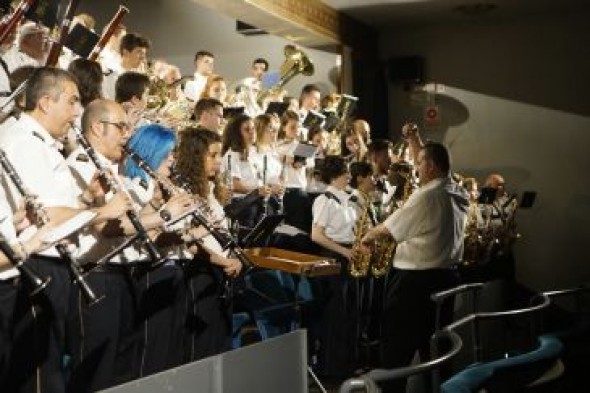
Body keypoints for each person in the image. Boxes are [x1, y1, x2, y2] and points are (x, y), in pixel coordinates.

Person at [0, 67, 129, 393]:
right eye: (72, 102)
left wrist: (86, 198)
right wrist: (100, 210)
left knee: (46, 368)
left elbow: (47, 206)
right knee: (39, 378)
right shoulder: (24, 142)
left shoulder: (40, 143)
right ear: (45, 102)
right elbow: (48, 215)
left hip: (46, 265)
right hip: (32, 267)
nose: (77, 112)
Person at [361, 124, 469, 393]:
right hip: (446, 277)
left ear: (431, 166)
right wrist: (413, 140)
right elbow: (430, 157)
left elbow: (387, 229)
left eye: (419, 164)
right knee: (435, 345)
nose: (416, 167)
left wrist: (364, 238)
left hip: (414, 284)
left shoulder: (427, 196)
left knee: (397, 348)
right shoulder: (456, 190)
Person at [174, 127, 243, 360]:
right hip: (199, 272)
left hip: (221, 270)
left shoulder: (210, 190)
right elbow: (190, 243)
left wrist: (234, 258)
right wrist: (224, 261)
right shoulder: (185, 192)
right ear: (195, 156)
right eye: (211, 156)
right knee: (200, 348)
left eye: (218, 155)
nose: (218, 162)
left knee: (220, 343)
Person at [310, 155, 358, 378]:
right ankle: (332, 369)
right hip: (333, 259)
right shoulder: (324, 200)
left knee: (348, 314)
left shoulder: (347, 198)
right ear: (337, 174)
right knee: (335, 316)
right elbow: (316, 236)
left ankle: (346, 364)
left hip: (347, 255)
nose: (349, 175)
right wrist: (344, 251)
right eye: (346, 172)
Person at [103, 32, 151, 100]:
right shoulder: (113, 75)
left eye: (144, 53)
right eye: (139, 52)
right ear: (126, 52)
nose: (143, 57)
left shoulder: (139, 73)